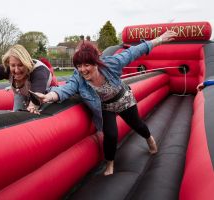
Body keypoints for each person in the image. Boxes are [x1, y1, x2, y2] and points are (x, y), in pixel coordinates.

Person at [35, 30, 178, 176]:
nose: (82, 69)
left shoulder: (111, 64)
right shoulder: (78, 77)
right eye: (79, 65)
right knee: (110, 135)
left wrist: (159, 40)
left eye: (86, 65)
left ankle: (149, 138)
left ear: (96, 62)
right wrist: (48, 96)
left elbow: (134, 52)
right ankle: (110, 163)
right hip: (105, 106)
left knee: (137, 125)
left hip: (123, 99)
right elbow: (66, 89)